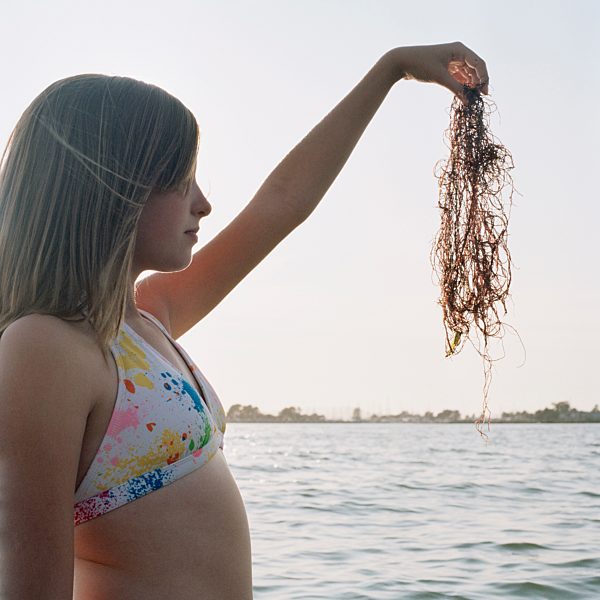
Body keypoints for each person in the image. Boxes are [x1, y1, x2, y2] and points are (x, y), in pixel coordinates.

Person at [0, 42, 488, 599]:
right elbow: (29, 579)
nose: (204, 203)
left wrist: (391, 70)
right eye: (181, 180)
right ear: (113, 186)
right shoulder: (46, 347)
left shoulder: (149, 317)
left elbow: (281, 204)